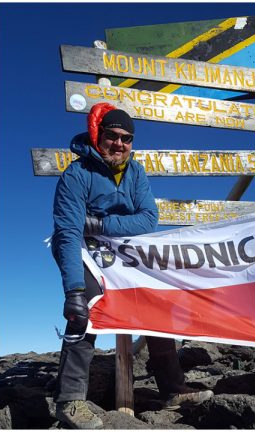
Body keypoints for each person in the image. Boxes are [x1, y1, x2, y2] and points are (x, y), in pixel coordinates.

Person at [51, 103, 213, 429]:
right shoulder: (76, 174)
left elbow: (148, 219)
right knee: (85, 310)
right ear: (99, 136)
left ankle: (172, 391)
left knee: (158, 305)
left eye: (127, 138)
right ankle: (69, 402)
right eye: (113, 136)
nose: (120, 144)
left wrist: (97, 223)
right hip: (83, 252)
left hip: (122, 252)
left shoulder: (136, 172)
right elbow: (68, 232)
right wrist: (74, 289)